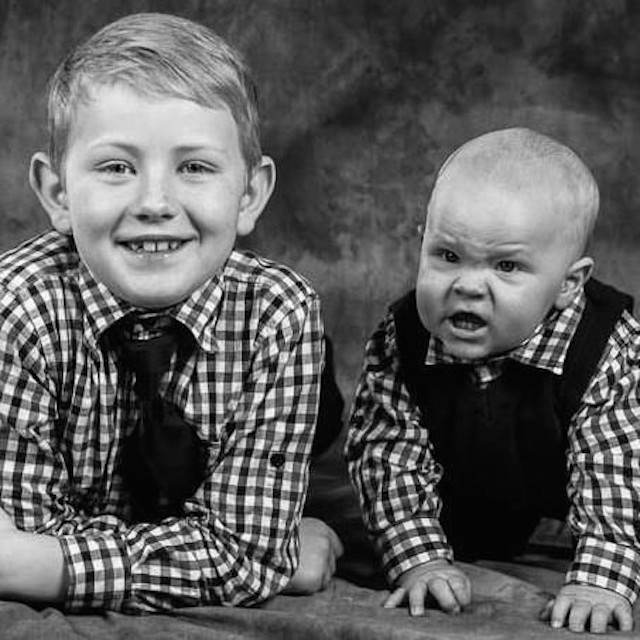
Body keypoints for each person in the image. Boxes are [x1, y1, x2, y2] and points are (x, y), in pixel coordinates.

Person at [0, 12, 343, 613]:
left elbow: (29, 561)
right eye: (117, 167)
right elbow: (20, 539)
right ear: (57, 193)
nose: (155, 203)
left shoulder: (279, 315)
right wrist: (253, 558)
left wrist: (257, 554)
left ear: (249, 195)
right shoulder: (18, 310)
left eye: (194, 167)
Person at [346, 127, 639, 634]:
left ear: (568, 284)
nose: (468, 285)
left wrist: (600, 580)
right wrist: (419, 560)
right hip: (466, 498)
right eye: (447, 256)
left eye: (506, 266)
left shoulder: (606, 349)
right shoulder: (404, 338)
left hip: (580, 491)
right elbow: (388, 458)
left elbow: (615, 469)